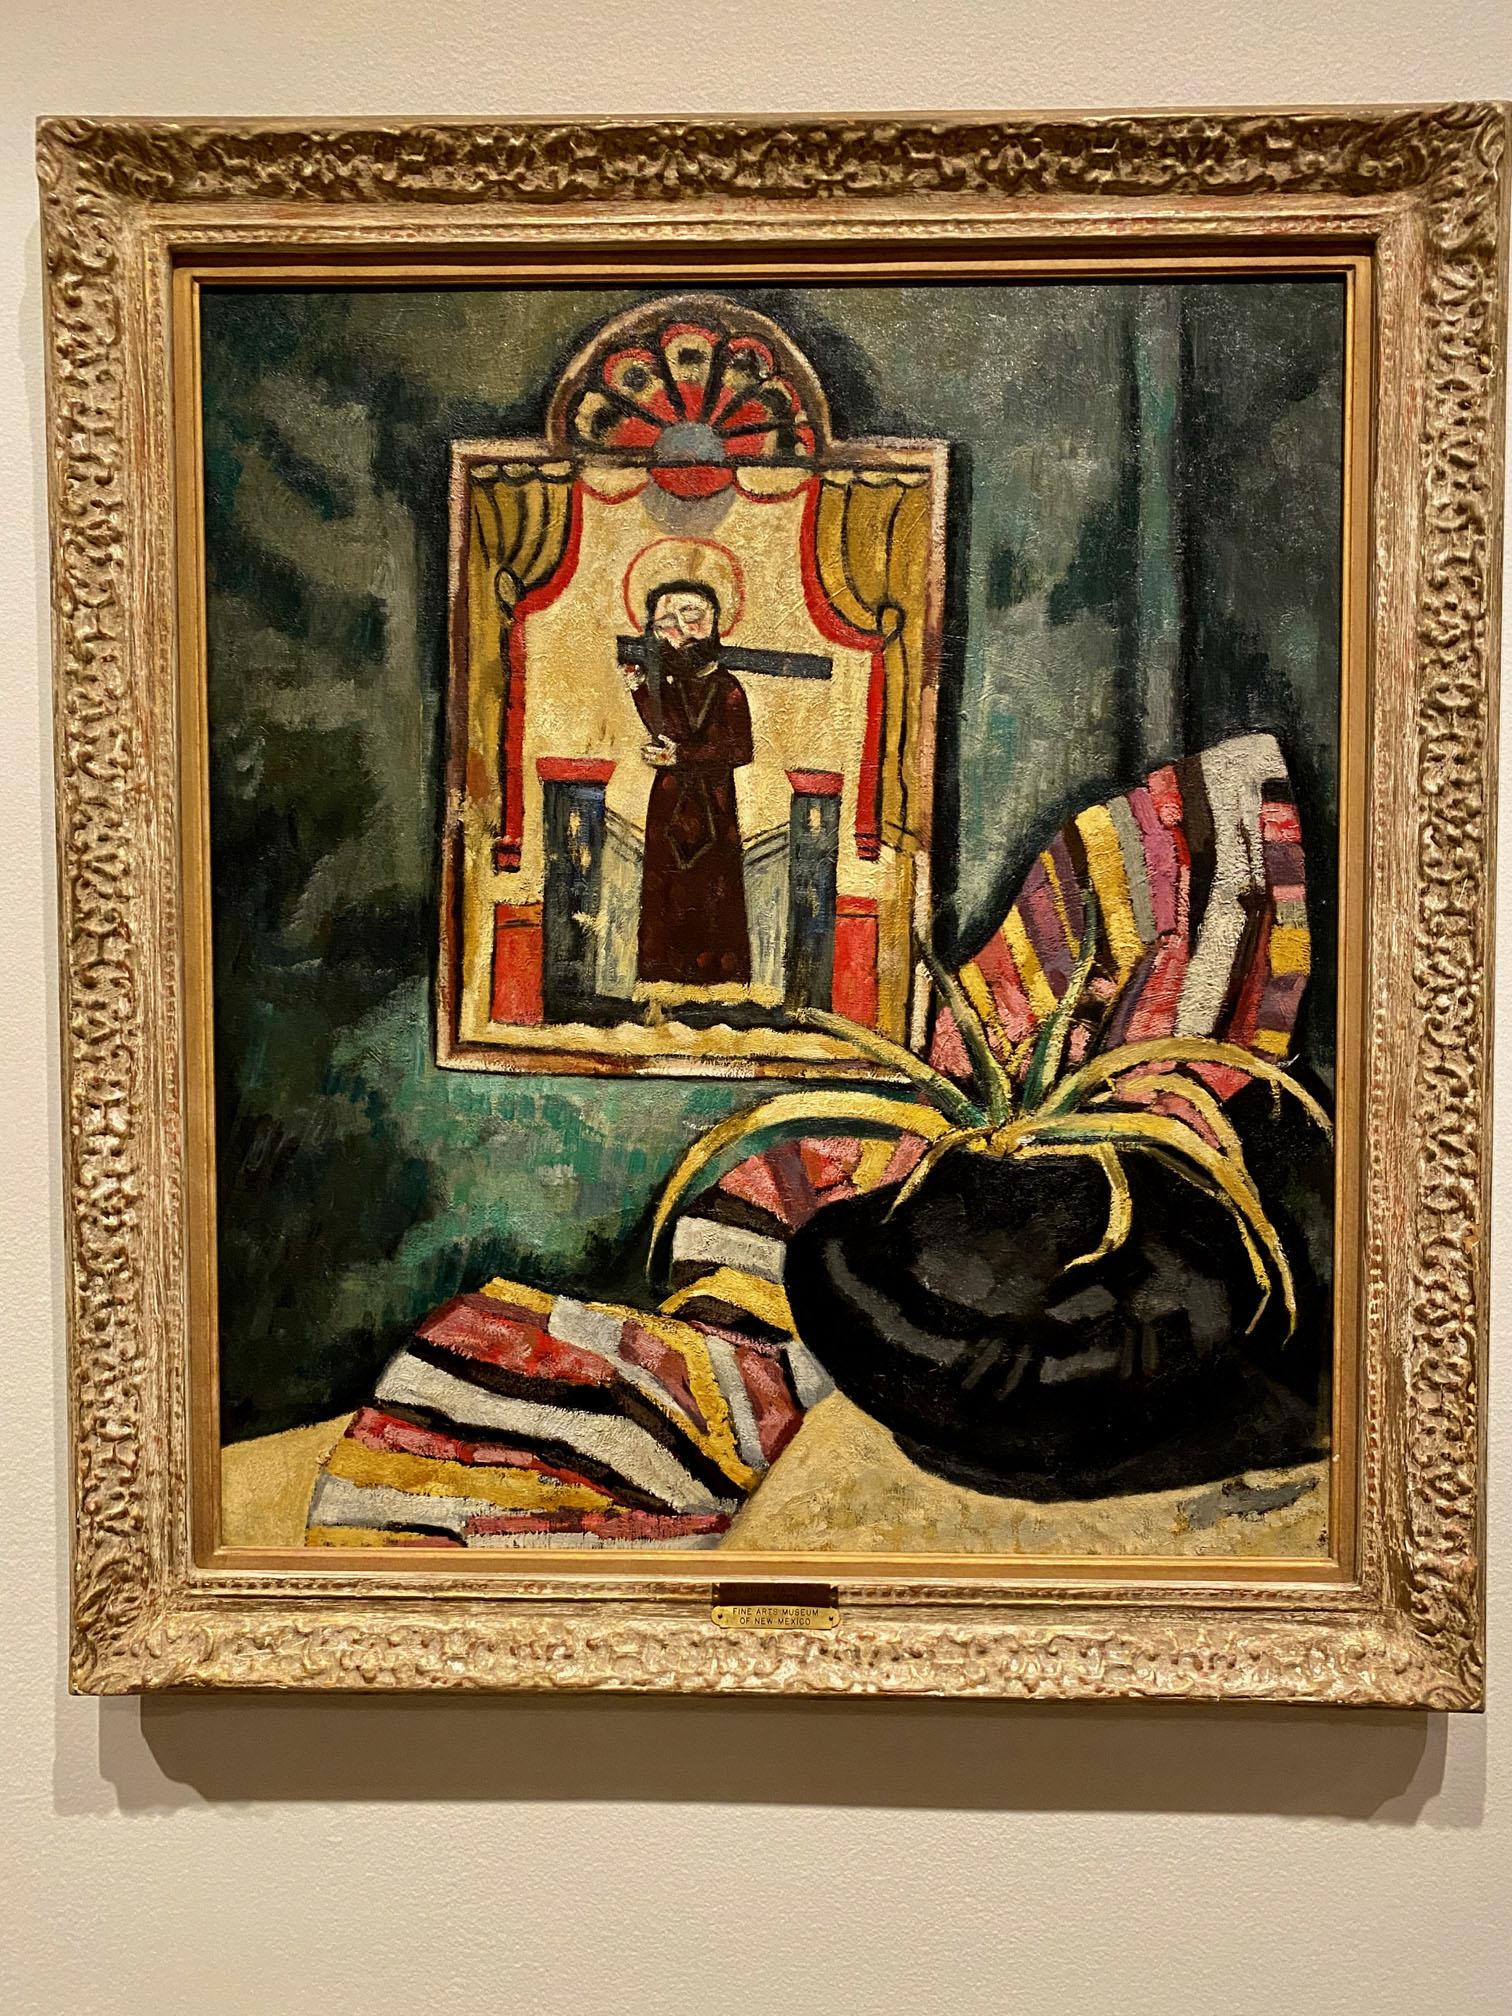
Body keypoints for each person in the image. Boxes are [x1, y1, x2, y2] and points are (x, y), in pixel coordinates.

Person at [622, 580, 753, 988]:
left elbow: (739, 748)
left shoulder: (728, 688)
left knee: (714, 893)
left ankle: (723, 984)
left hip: (714, 807)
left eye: (691, 616)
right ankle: (661, 979)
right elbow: (669, 730)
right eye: (665, 622)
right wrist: (641, 691)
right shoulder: (663, 686)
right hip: (669, 807)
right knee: (666, 892)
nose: (679, 628)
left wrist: (682, 757)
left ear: (714, 623)